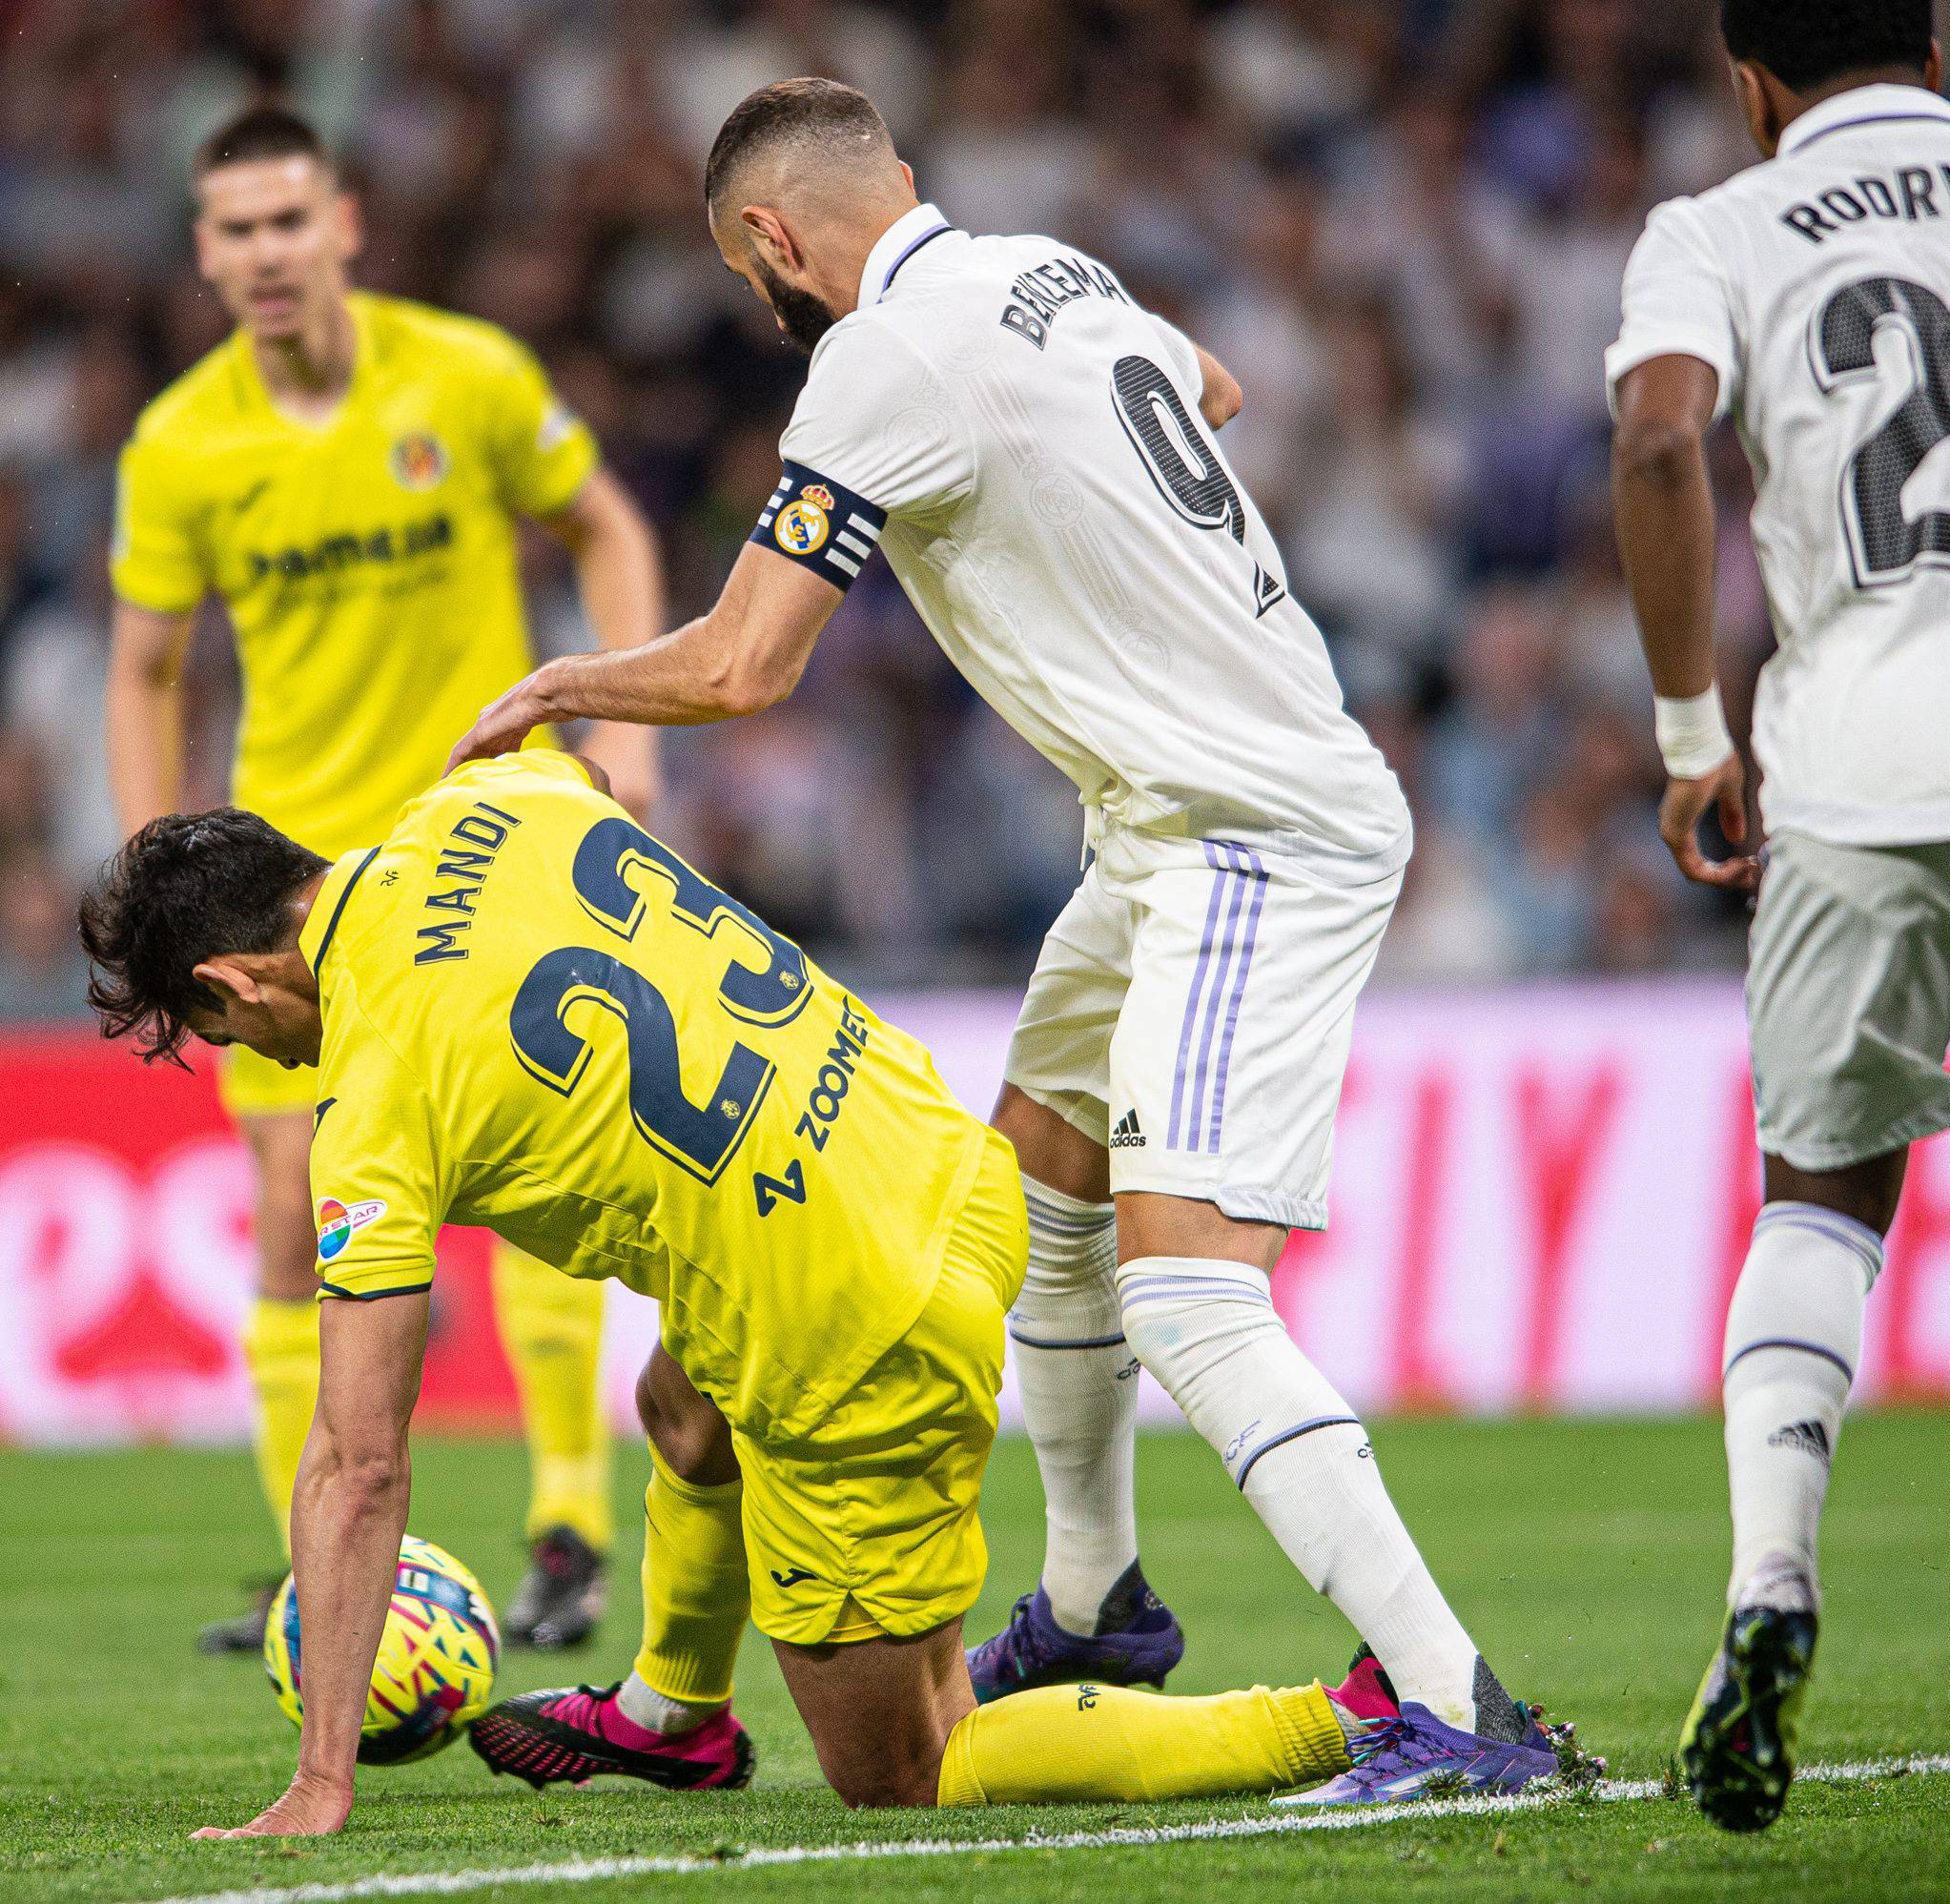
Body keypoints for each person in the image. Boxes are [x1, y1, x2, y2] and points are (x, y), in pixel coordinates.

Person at [451, 78, 1569, 1802]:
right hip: (1163, 822)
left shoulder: (876, 361)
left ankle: (1457, 1704)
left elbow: (749, 665)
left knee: (1188, 1290)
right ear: (899, 180)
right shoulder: (1046, 271)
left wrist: (562, 684)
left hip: (1241, 830)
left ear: (768, 244)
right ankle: (1093, 1595)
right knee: (1041, 1171)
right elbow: (1213, 387)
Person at [78, 751, 1469, 1836]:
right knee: (683, 1404)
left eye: (217, 1030)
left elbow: (359, 1455)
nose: (250, 1050)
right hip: (933, 1154)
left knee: (911, 1767)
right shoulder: (484, 801)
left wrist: (325, 1771)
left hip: (855, 1320)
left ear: (233, 977)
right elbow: (590, 779)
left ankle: (1346, 1717)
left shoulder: (371, 1100)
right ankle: (673, 1710)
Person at [1606, 0, 1950, 1833]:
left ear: (1750, 81)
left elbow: (1664, 445)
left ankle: (1767, 1586)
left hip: (1857, 776)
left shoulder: (1721, 228)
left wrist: (1693, 738)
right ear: (1931, 41)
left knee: (1818, 1195)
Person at [105, 107, 667, 1651]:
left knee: (541, 1169)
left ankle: (567, 1526)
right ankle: (312, 1564)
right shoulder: (180, 447)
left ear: (345, 223)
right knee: (295, 1208)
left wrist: (621, 721)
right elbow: (143, 671)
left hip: (482, 841)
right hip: (290, 893)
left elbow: (604, 526)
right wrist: (159, 882)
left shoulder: (468, 375)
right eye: (236, 230)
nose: (267, 253)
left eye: (291, 220)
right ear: (205, 255)